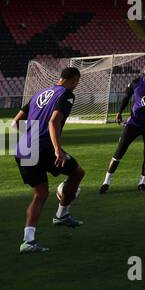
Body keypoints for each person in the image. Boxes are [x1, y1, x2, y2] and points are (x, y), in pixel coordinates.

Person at [12, 67, 86, 253]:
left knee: (41, 194)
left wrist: (30, 137)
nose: (76, 85)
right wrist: (57, 150)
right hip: (44, 149)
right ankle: (61, 214)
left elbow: (15, 123)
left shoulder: (40, 92)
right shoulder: (67, 94)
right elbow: (53, 122)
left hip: (23, 149)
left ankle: (28, 242)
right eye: (77, 82)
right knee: (77, 173)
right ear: (73, 80)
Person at [99, 60, 145, 193]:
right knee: (119, 152)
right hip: (133, 124)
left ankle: (142, 182)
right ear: (143, 70)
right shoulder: (135, 82)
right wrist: (119, 113)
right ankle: (106, 182)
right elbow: (126, 98)